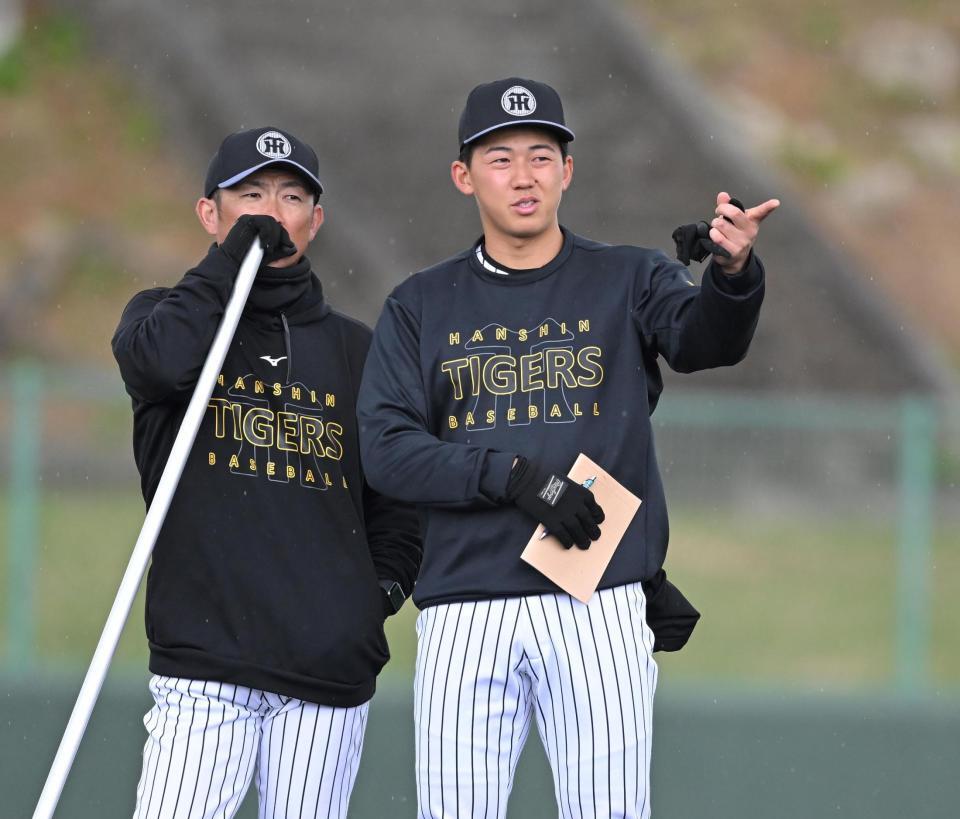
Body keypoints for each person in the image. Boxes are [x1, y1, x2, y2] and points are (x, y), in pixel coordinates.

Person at [357, 78, 779, 818]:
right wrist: (514, 476)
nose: (523, 176)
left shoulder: (628, 276)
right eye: (500, 158)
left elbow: (705, 341)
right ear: (463, 176)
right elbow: (389, 450)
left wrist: (733, 274)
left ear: (568, 170)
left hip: (597, 595)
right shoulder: (421, 303)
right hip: (466, 604)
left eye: (542, 155)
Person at [112, 126, 421, 819]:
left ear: (316, 219)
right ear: (208, 212)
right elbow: (161, 365)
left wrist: (371, 596)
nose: (270, 214)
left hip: (325, 674)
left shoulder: (357, 350)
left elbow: (398, 500)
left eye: (290, 197)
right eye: (249, 195)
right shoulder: (162, 317)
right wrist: (229, 265)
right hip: (204, 665)